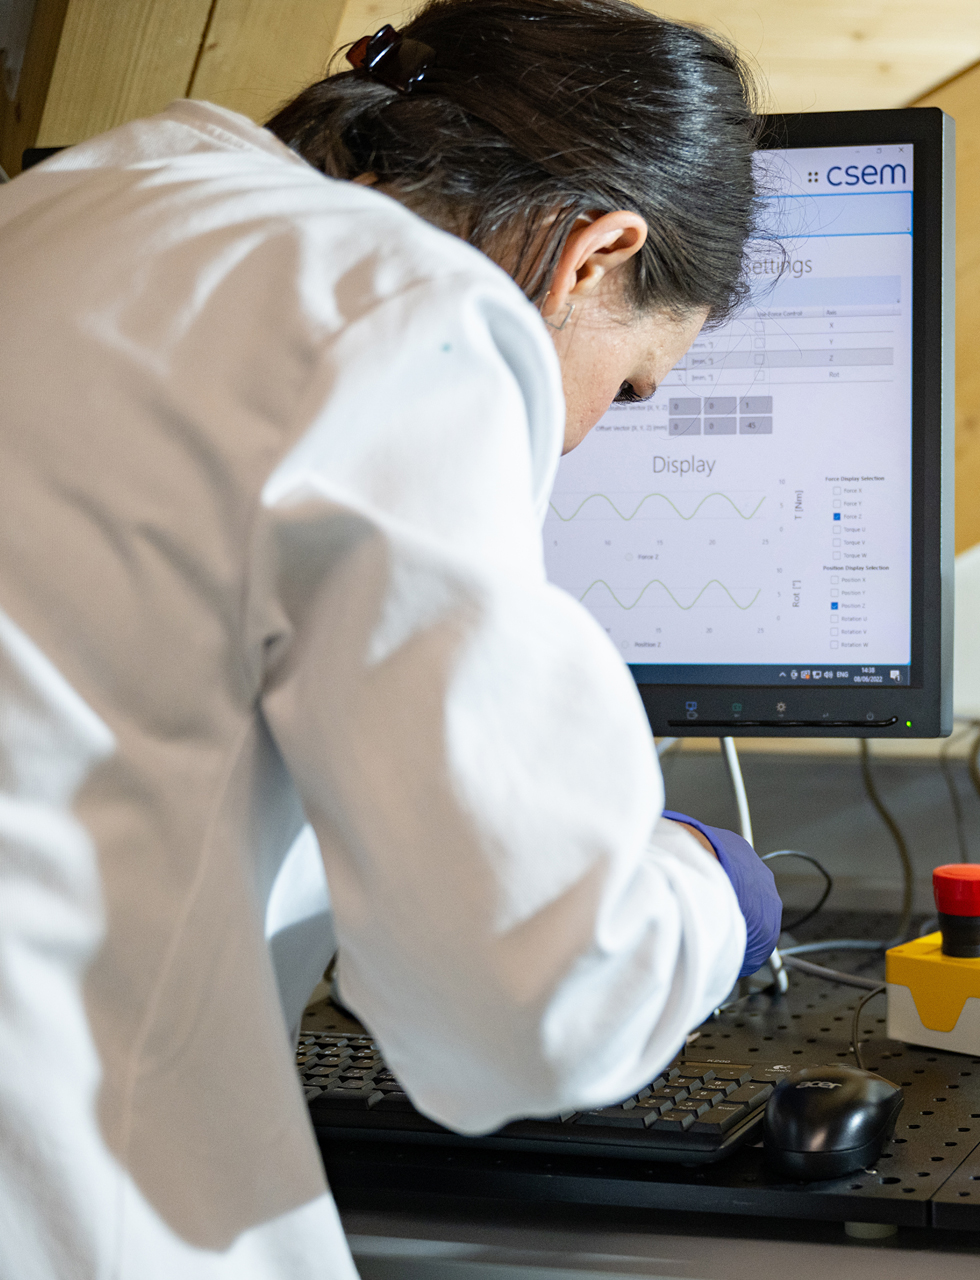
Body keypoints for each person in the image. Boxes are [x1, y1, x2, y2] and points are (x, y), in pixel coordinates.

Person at [0, 2, 783, 1275]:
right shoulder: (408, 311)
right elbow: (524, 1012)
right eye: (630, 385)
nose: (586, 436)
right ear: (595, 252)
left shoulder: (60, 215)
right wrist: (710, 889)